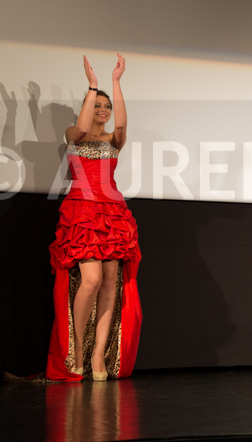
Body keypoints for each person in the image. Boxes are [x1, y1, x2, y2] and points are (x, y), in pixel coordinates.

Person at [46, 54, 142, 382]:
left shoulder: (114, 140)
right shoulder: (74, 134)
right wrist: (93, 85)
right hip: (83, 212)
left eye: (106, 106)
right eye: (97, 105)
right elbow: (83, 127)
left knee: (109, 285)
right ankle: (76, 349)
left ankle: (98, 353)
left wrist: (116, 82)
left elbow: (122, 126)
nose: (103, 109)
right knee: (91, 281)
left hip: (112, 212)